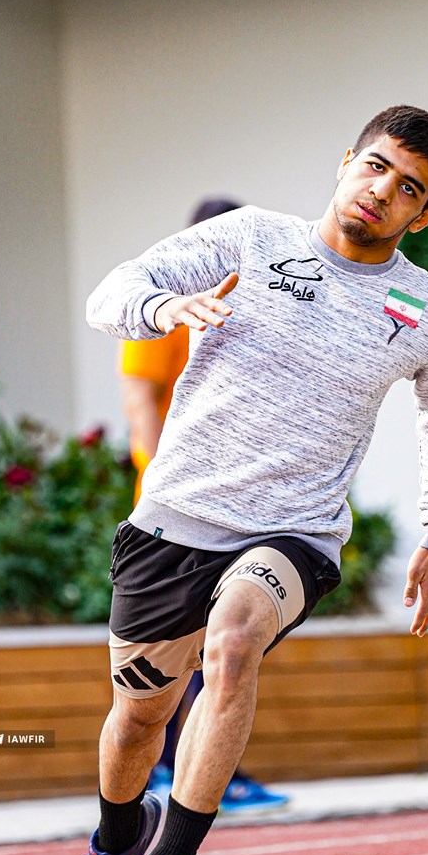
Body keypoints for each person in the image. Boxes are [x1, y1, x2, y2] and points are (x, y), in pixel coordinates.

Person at [70, 104, 428, 855]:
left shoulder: (427, 308)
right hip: (175, 519)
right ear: (347, 161)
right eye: (376, 167)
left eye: (408, 189)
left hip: (295, 531)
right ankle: (115, 841)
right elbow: (110, 295)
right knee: (139, 721)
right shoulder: (250, 239)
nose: (382, 192)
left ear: (423, 215)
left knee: (234, 640)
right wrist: (165, 306)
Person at [119, 196, 289, 815]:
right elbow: (140, 401)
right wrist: (164, 479)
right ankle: (175, 772)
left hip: (240, 504)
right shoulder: (170, 302)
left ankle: (212, 773)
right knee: (180, 648)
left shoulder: (258, 299)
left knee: (225, 644)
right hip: (177, 505)